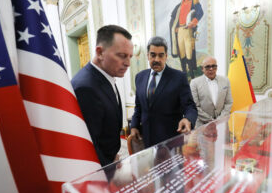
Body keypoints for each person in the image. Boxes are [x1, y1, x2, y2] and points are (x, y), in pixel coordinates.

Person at [71, 25, 133, 166]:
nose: (128, 63)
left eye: (130, 57)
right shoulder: (85, 87)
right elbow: (88, 144)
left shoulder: (106, 75)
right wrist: (108, 165)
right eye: (122, 56)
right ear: (99, 52)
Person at [130, 36, 197, 148]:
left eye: (161, 55)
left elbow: (190, 107)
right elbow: (138, 107)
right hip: (146, 139)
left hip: (171, 142)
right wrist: (134, 126)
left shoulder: (179, 78)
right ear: (147, 56)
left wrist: (187, 119)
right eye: (153, 55)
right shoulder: (139, 77)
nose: (156, 59)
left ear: (166, 56)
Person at [170, 0, 204, 79]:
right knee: (182, 53)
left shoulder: (194, 1)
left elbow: (200, 12)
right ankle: (184, 74)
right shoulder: (178, 6)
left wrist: (193, 22)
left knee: (189, 53)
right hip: (180, 31)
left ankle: (192, 76)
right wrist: (175, 27)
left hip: (188, 30)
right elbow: (174, 18)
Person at [190, 56, 233, 127]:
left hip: (221, 124)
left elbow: (229, 102)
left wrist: (219, 119)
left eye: (214, 66)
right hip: (202, 126)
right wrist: (210, 120)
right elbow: (195, 106)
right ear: (202, 69)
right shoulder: (194, 83)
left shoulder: (225, 81)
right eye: (207, 67)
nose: (211, 69)